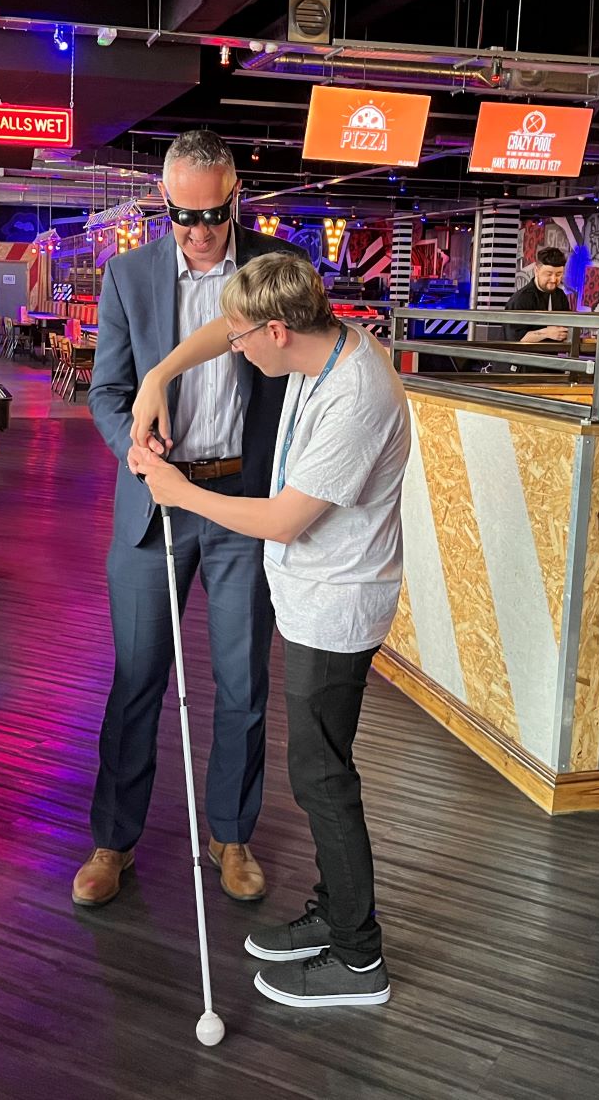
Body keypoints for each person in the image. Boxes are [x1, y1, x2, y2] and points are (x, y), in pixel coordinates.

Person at [130, 252, 410, 1008]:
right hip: (314, 592)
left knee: (321, 778)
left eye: (246, 338)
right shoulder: (321, 344)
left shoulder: (357, 395)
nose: (236, 348)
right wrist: (157, 377)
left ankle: (359, 961)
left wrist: (179, 490)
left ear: (280, 331)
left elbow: (284, 519)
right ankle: (336, 913)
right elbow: (221, 332)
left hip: (337, 602)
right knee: (319, 768)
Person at [76, 129, 295, 909]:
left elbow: (300, 378)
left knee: (242, 683)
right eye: (182, 216)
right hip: (154, 504)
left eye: (214, 213)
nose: (200, 231)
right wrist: (134, 448)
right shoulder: (127, 275)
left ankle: (231, 834)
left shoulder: (278, 269)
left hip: (242, 502)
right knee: (137, 680)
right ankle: (114, 840)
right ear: (160, 206)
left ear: (238, 197)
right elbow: (106, 390)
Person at [507, 246, 572, 343]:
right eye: (548, 274)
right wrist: (547, 333)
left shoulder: (560, 296)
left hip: (551, 356)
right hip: (523, 357)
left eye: (558, 274)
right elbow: (516, 338)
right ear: (536, 271)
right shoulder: (521, 299)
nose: (554, 279)